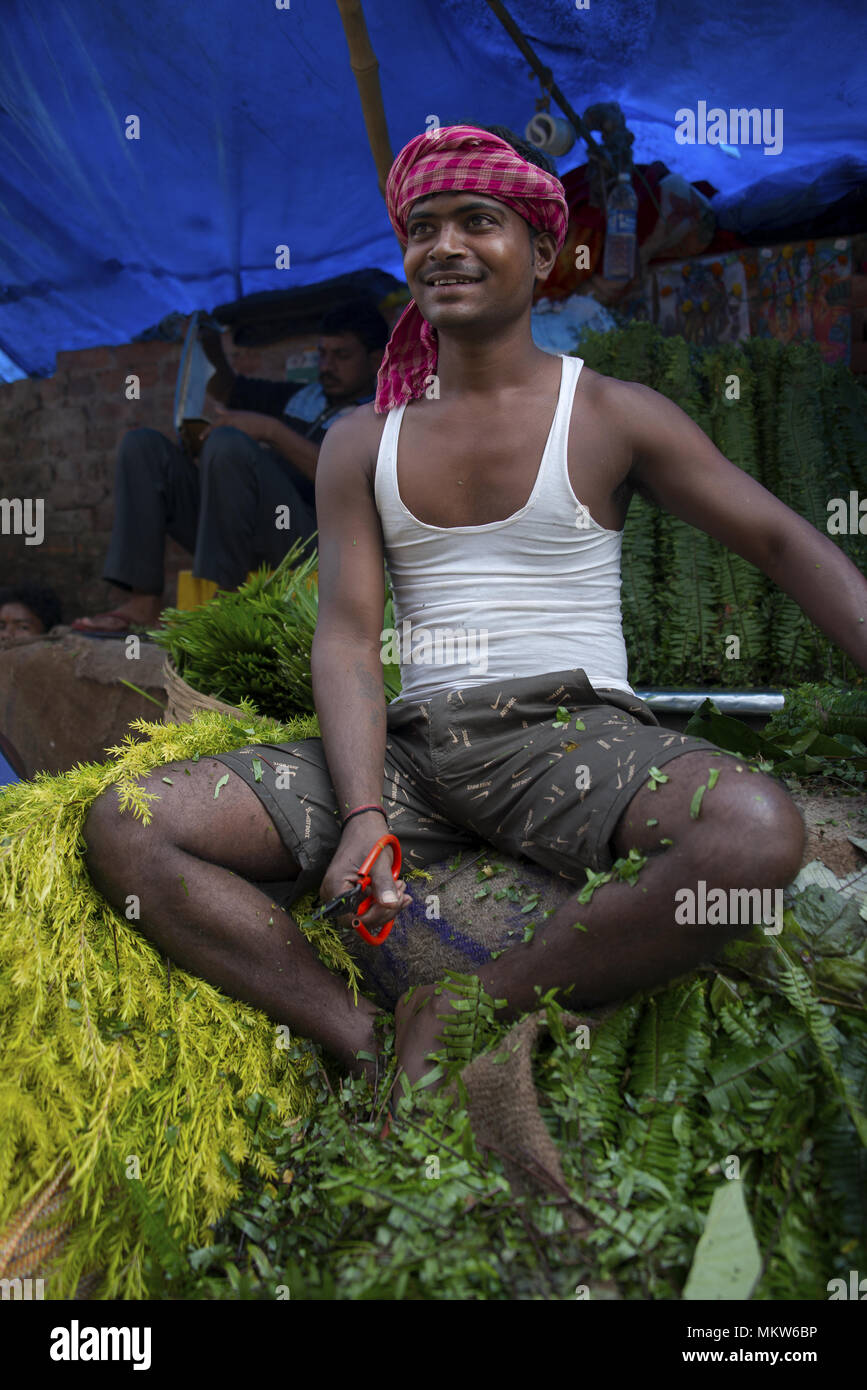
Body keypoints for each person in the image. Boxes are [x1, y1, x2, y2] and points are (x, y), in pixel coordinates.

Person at [83, 125, 867, 1093]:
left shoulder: (610, 412)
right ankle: (361, 1034)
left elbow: (785, 541)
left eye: (478, 222)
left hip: (571, 741)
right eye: (423, 227)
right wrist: (365, 812)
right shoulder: (362, 439)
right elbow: (348, 636)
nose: (444, 245)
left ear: (542, 255)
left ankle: (476, 1000)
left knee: (751, 835)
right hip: (413, 754)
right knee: (127, 820)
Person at [71, 300, 389, 635]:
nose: (327, 366)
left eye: (341, 356)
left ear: (374, 359)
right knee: (144, 446)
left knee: (228, 443)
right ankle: (142, 603)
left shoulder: (381, 415)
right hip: (236, 532)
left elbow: (349, 481)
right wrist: (207, 341)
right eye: (322, 354)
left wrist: (269, 431)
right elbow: (226, 388)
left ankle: (222, 606)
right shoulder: (300, 396)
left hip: (312, 545)